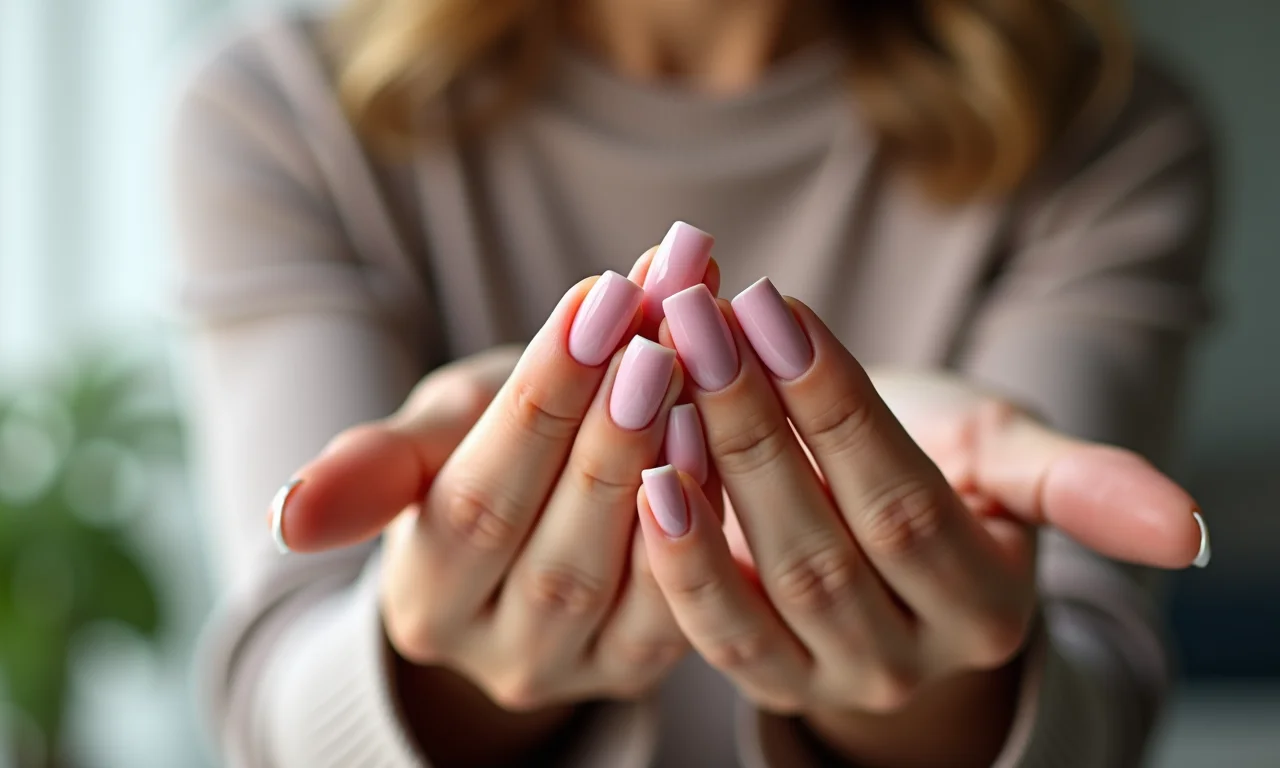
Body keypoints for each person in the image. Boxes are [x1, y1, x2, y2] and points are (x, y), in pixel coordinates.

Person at [171, 0, 1214, 765]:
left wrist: (939, 692)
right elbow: (277, 711)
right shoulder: (286, 110)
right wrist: (434, 670)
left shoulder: (1105, 128)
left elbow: (1091, 709)